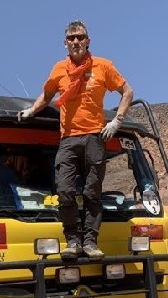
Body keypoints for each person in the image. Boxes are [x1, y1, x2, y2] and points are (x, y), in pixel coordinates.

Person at [18, 20, 133, 260]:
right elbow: (47, 95)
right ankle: (72, 240)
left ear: (88, 41)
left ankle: (90, 241)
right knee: (65, 191)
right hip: (68, 139)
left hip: (95, 136)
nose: (76, 42)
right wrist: (30, 111)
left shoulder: (103, 66)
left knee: (92, 191)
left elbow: (127, 92)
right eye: (71, 38)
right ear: (65, 43)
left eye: (80, 37)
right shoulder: (59, 69)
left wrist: (117, 121)